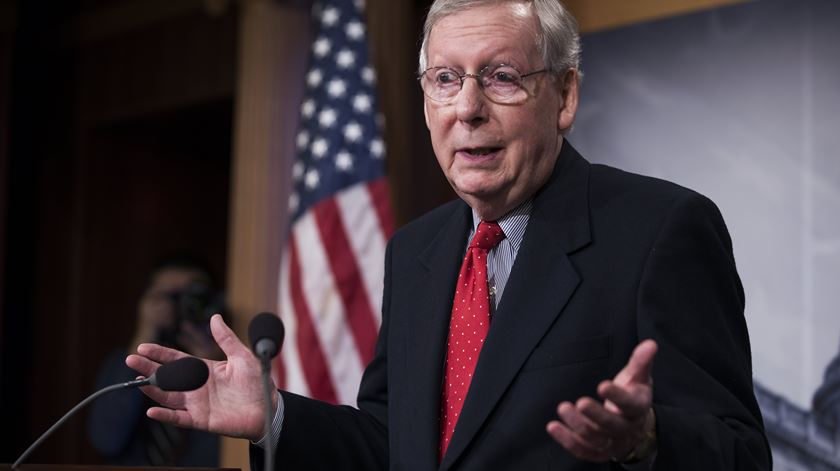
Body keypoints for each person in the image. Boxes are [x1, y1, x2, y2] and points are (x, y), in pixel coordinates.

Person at [127, 0, 772, 469]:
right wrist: (273, 415)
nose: (468, 108)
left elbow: (740, 451)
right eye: (446, 80)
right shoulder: (416, 252)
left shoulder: (662, 229)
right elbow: (395, 441)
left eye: (502, 77)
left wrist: (647, 439)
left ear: (566, 96)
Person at [87, 256, 222, 466]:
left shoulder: (227, 366)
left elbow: (228, 450)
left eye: (191, 296)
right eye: (167, 297)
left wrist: (213, 372)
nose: (178, 307)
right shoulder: (119, 364)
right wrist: (143, 338)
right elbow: (106, 439)